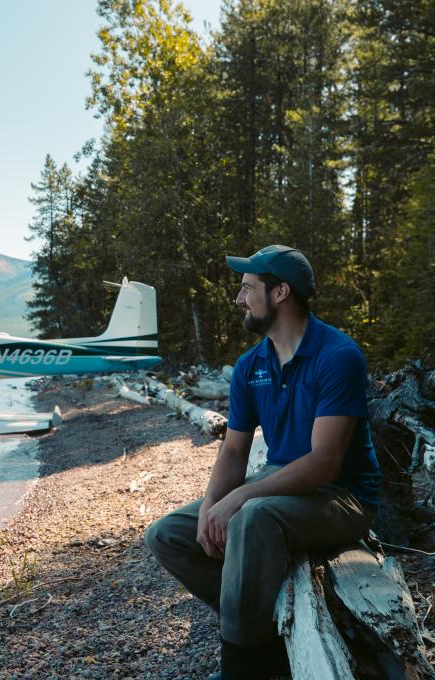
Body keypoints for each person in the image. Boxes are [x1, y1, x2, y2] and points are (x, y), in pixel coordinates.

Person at [145, 245, 380, 680]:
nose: (238, 299)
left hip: (343, 496)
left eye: (247, 287)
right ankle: (263, 628)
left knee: (251, 516)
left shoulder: (337, 356)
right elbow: (234, 450)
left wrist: (241, 498)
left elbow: (325, 463)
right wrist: (214, 502)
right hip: (283, 484)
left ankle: (244, 666)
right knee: (167, 536)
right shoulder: (250, 366)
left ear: (280, 293)